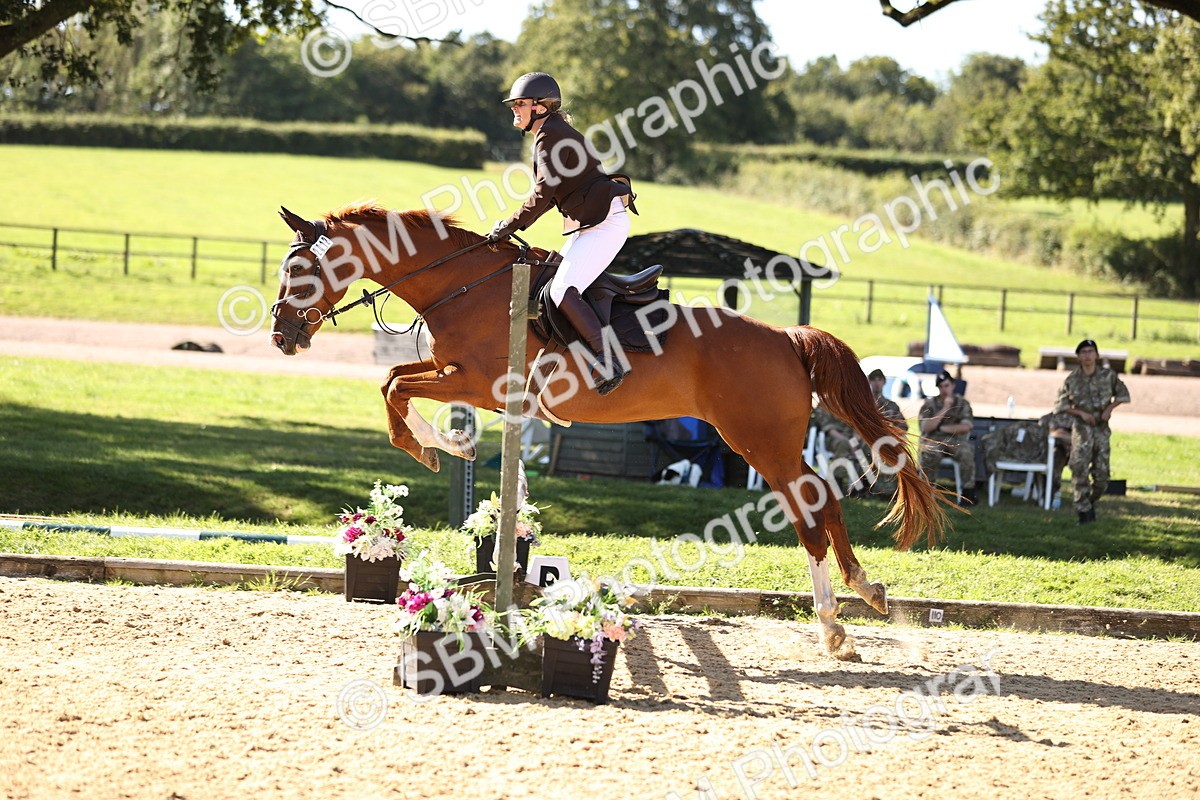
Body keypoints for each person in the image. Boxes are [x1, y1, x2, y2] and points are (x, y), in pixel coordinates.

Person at [488, 72, 636, 396]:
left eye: (521, 103)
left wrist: (506, 226)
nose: (515, 109)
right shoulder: (550, 132)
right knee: (549, 285)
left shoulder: (550, 137)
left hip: (604, 223)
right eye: (514, 103)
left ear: (541, 107)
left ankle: (609, 359)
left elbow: (541, 197)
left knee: (563, 288)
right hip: (592, 223)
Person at [1054, 339, 1131, 525]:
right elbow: (1060, 405)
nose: (1087, 356)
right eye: (1084, 352)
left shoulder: (1108, 376)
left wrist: (1109, 408)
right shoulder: (1072, 380)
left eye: (1091, 351)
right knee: (1079, 467)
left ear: (1096, 355)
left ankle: (1091, 501)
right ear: (1078, 357)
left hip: (1101, 429)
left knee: (1102, 475)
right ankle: (1083, 511)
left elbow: (1123, 395)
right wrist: (1080, 412)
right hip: (1082, 429)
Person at [918, 370, 976, 505]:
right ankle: (927, 493)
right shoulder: (929, 404)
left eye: (947, 385)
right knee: (930, 452)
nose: (944, 389)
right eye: (941, 386)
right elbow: (925, 427)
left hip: (955, 439)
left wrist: (941, 428)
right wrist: (945, 408)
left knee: (966, 452)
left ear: (953, 385)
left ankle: (968, 494)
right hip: (934, 439)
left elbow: (966, 427)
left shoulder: (963, 404)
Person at [867, 368, 906, 498]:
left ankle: (886, 491)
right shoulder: (864, 405)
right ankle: (867, 489)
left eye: (879, 380)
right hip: (865, 440)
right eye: (873, 380)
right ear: (869, 382)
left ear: (884, 383)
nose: (876, 383)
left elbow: (903, 426)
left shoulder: (891, 406)